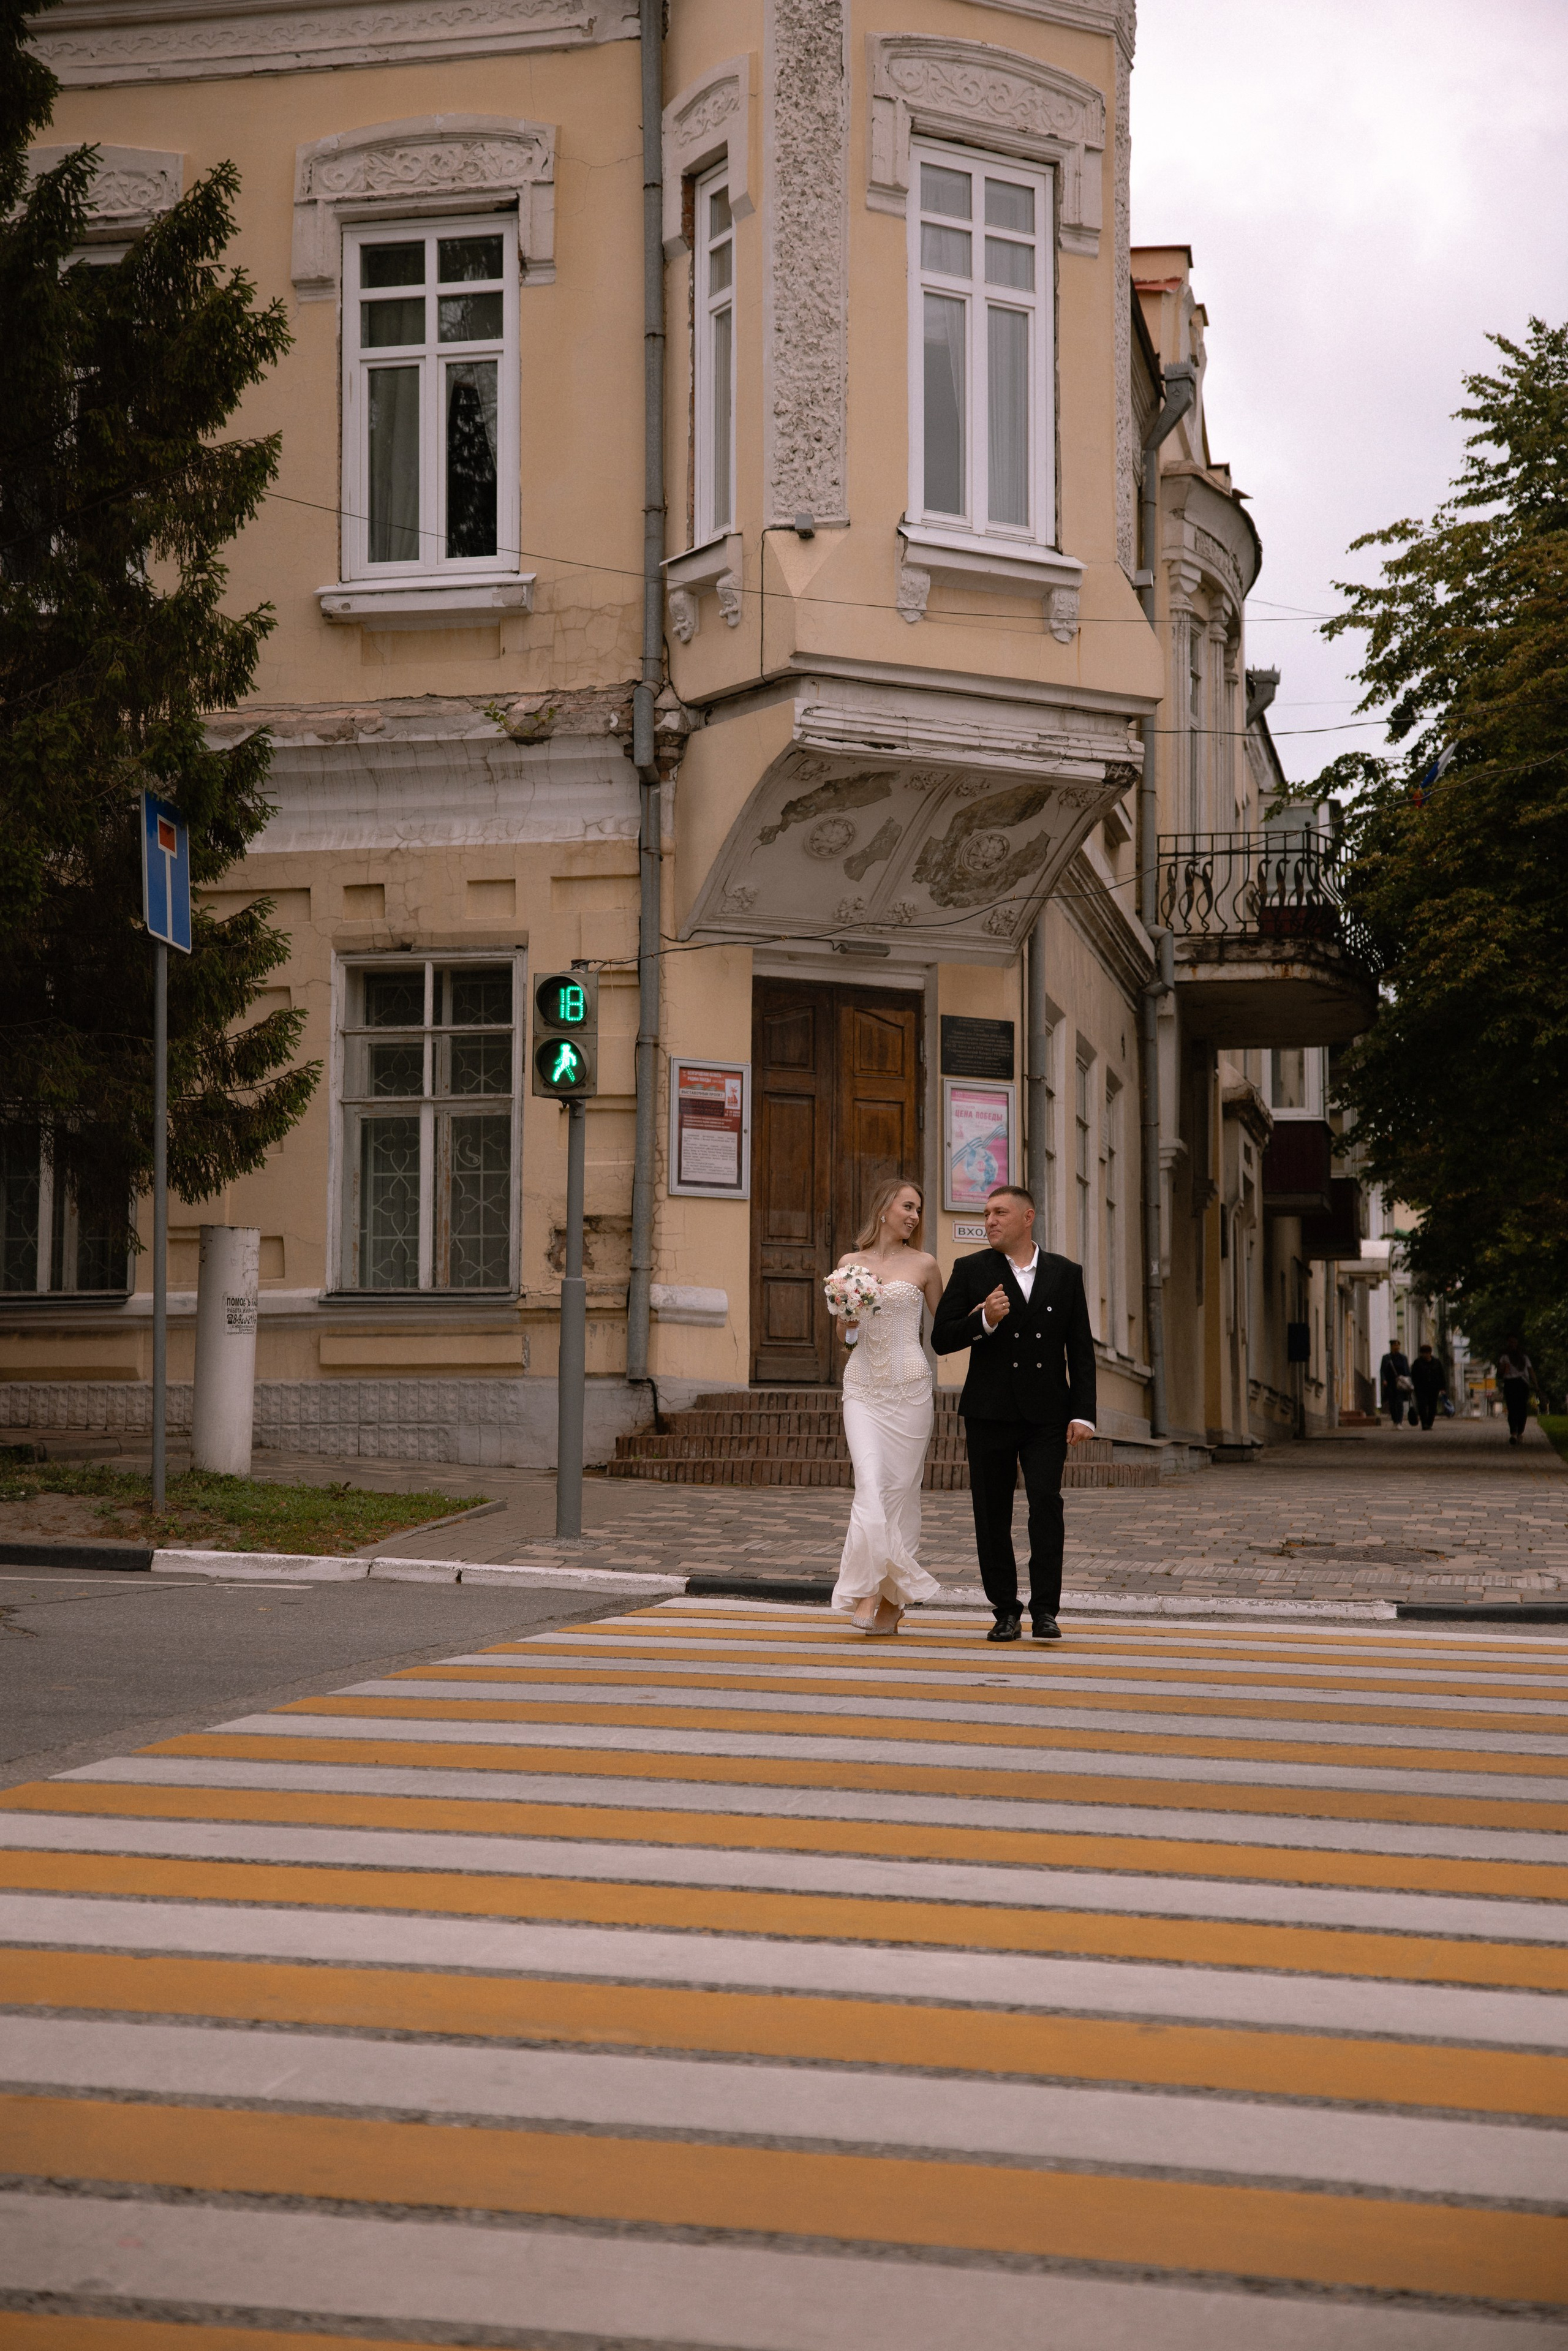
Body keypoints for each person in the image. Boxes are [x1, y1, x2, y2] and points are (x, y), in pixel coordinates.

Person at [931, 1183, 1095, 1644]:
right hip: (990, 1411)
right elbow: (941, 1338)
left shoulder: (1065, 1273)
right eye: (986, 1214)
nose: (990, 1221)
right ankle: (1005, 1610)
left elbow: (1079, 1347)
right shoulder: (971, 1269)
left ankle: (1045, 1610)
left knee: (1046, 1504)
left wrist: (1083, 1412)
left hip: (1046, 1413)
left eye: (1000, 1212)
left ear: (1028, 1218)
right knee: (992, 1513)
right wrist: (984, 1321)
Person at [828, 1177, 945, 1636]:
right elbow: (844, 1337)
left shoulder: (926, 1264)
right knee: (870, 1484)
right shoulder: (849, 1265)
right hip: (862, 1386)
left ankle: (893, 1605)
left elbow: (946, 1326)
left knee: (901, 1494)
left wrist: (988, 1324)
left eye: (918, 1210)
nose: (915, 1217)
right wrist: (851, 1323)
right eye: (908, 1207)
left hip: (911, 1386)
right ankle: (868, 1590)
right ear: (884, 1210)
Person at [1496, 1336, 1535, 1446]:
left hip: (1522, 1383)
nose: (1512, 1345)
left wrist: (1536, 1385)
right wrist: (1502, 1367)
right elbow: (1499, 1373)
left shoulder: (1524, 1357)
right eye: (1510, 1343)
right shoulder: (1504, 1357)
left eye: (1514, 1342)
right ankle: (1514, 1432)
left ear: (1517, 1344)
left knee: (1522, 1409)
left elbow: (1530, 1371)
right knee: (1512, 1408)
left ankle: (1520, 1433)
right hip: (1510, 1383)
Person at [1408, 1342, 1447, 1430]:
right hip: (1421, 1388)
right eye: (1423, 1353)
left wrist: (1443, 1388)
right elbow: (1413, 1375)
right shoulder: (1418, 1363)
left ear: (1430, 1353)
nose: (1425, 1355)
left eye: (1426, 1353)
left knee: (1433, 1406)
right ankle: (1424, 1424)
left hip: (1434, 1388)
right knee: (1422, 1406)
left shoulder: (1436, 1363)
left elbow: (1441, 1375)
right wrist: (1414, 1386)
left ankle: (1430, 1423)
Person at [1378, 1344, 1412, 1427]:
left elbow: (1407, 1370)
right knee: (1392, 1403)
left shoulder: (1403, 1358)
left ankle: (1399, 1422)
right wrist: (1384, 1380)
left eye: (1398, 1346)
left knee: (1400, 1402)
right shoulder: (1387, 1358)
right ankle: (1395, 1420)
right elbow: (1382, 1370)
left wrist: (1409, 1381)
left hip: (1401, 1383)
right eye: (1395, 1346)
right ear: (1391, 1347)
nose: (1396, 1347)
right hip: (1390, 1383)